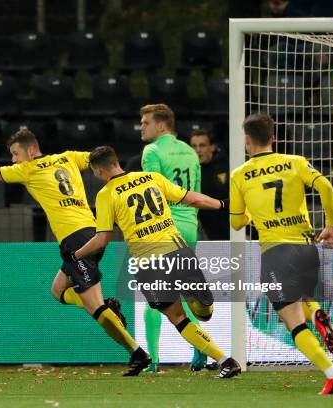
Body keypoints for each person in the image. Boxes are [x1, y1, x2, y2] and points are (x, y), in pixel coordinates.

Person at [0, 129, 151, 376]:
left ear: (31, 150)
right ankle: (110, 310)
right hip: (92, 232)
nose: (13, 160)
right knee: (57, 290)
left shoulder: (28, 169)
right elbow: (102, 159)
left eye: (15, 154)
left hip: (75, 240)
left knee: (94, 307)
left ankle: (136, 352)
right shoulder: (69, 157)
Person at [62, 145, 241, 379]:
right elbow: (191, 198)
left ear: (97, 171)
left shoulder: (106, 194)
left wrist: (76, 255)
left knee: (177, 317)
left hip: (149, 264)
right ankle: (205, 307)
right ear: (117, 162)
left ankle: (226, 361)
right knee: (203, 312)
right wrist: (223, 204)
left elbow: (102, 239)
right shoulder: (151, 178)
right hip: (178, 252)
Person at [230, 113, 333, 394]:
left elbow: (236, 222)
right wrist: (330, 225)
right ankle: (317, 312)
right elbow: (326, 186)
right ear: (273, 138)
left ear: (247, 141)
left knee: (292, 321)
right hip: (306, 247)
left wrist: (251, 210)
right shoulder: (295, 162)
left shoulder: (240, 175)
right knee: (303, 297)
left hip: (275, 251)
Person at [139, 104, 207, 371]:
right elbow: (196, 193)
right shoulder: (190, 152)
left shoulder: (152, 151)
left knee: (155, 294)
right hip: (190, 226)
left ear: (162, 125)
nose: (141, 126)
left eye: (146, 122)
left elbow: (152, 191)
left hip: (165, 227)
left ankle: (153, 360)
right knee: (179, 291)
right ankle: (200, 348)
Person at [190, 128, 230, 240]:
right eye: (194, 146)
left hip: (228, 228)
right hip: (204, 230)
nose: (198, 150)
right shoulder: (190, 170)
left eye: (202, 145)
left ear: (212, 147)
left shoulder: (227, 165)